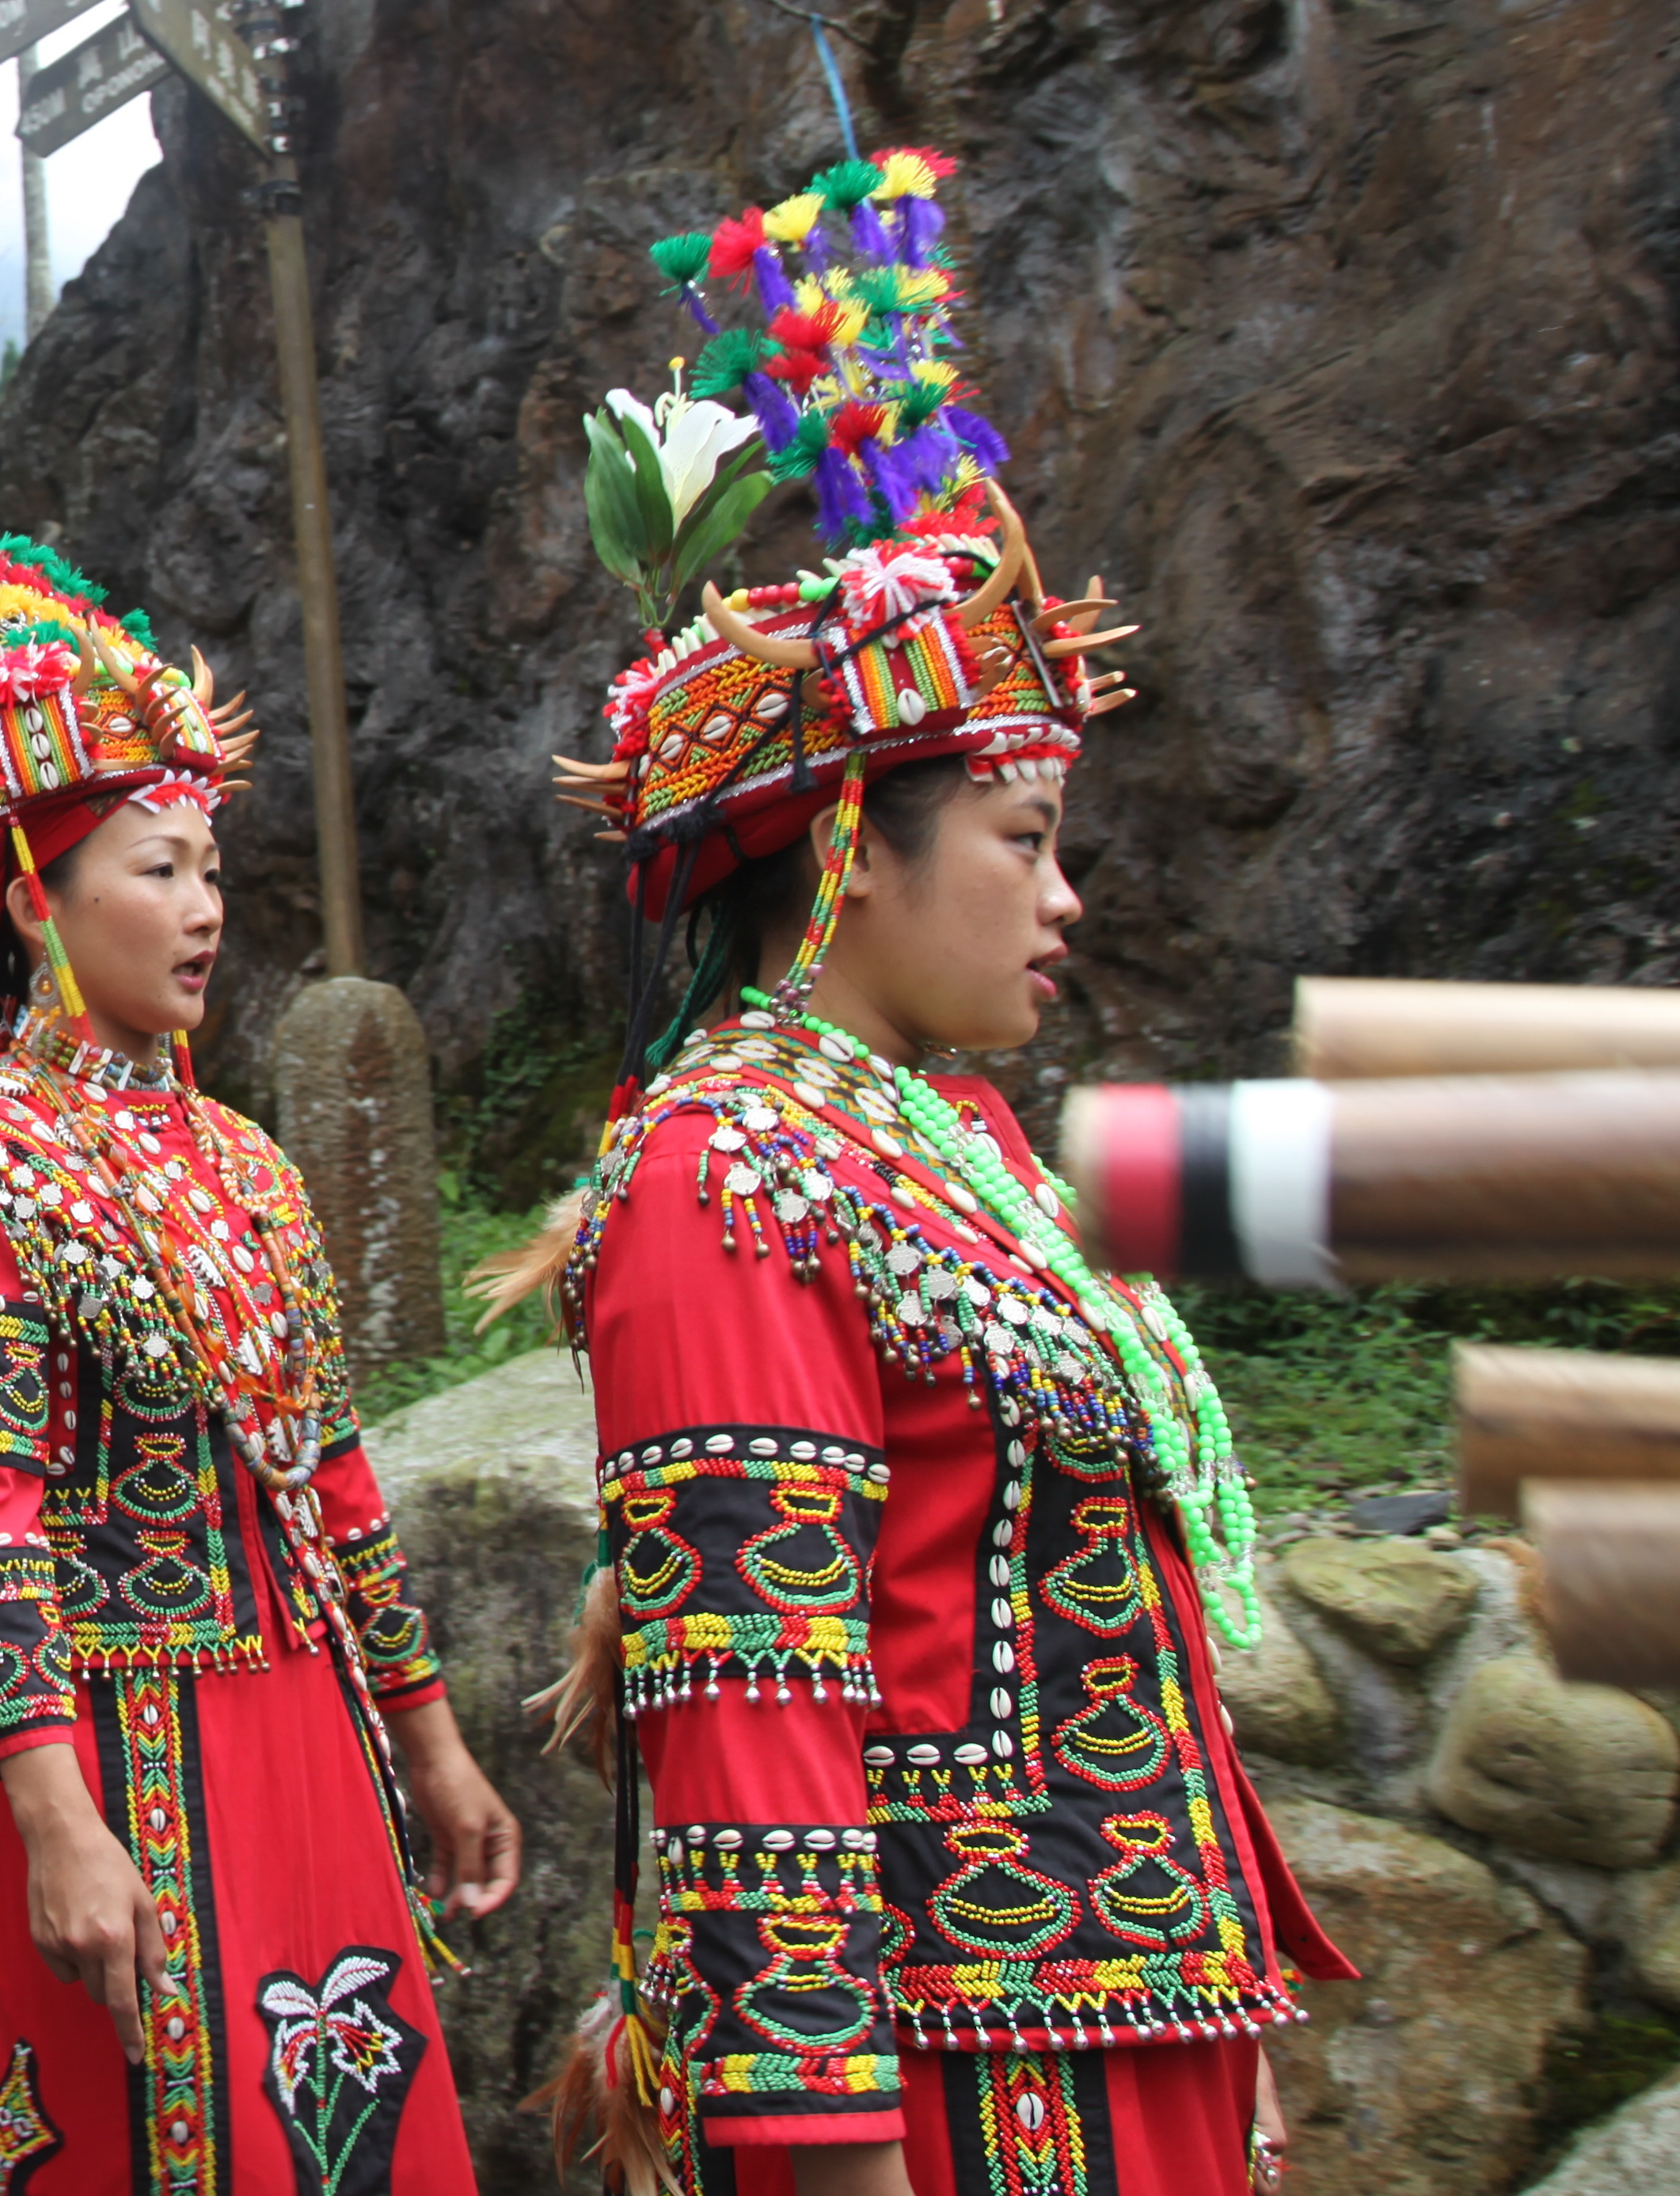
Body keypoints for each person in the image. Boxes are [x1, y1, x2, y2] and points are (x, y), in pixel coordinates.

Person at [516, 152, 1342, 2194]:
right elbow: (750, 1690)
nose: (1068, 899)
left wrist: (1223, 1977)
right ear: (849, 856)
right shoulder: (728, 1168)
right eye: (1023, 840)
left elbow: (1114, 1596)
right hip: (951, 2086)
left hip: (1135, 2012)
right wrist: (829, 2148)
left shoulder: (960, 1146)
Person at [0, 522, 520, 2195]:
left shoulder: (245, 1163)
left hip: (304, 1719)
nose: (206, 910)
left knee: (343, 2133)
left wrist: (430, 1740)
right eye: (158, 871)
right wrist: (56, 1816)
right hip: (111, 1745)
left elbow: (336, 1478)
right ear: (35, 900)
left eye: (211, 871)